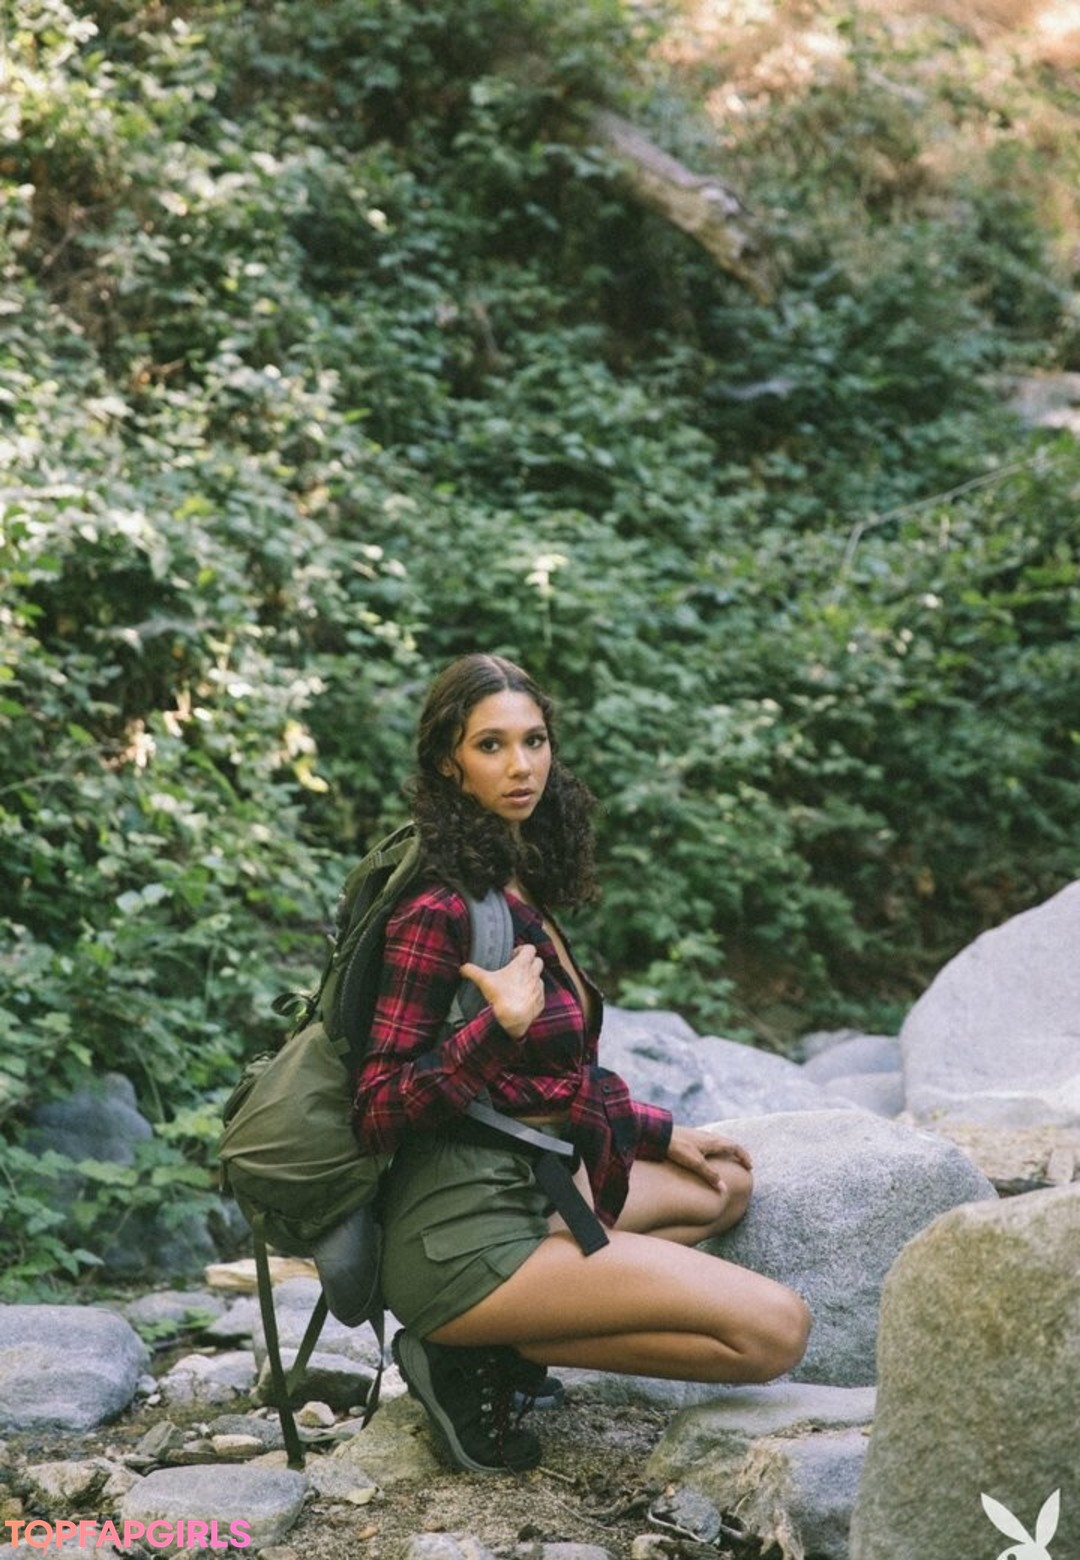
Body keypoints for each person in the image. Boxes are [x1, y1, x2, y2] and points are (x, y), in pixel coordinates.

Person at [353, 653, 811, 1474]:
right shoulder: (437, 907)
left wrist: (652, 1131)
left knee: (722, 1186)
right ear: (448, 763)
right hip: (461, 1239)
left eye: (534, 741)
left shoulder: (509, 882)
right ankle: (476, 1348)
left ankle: (508, 1336)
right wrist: (495, 1028)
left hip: (528, 1183)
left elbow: (534, 1086)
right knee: (775, 1333)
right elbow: (377, 1107)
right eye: (491, 745)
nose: (521, 766)